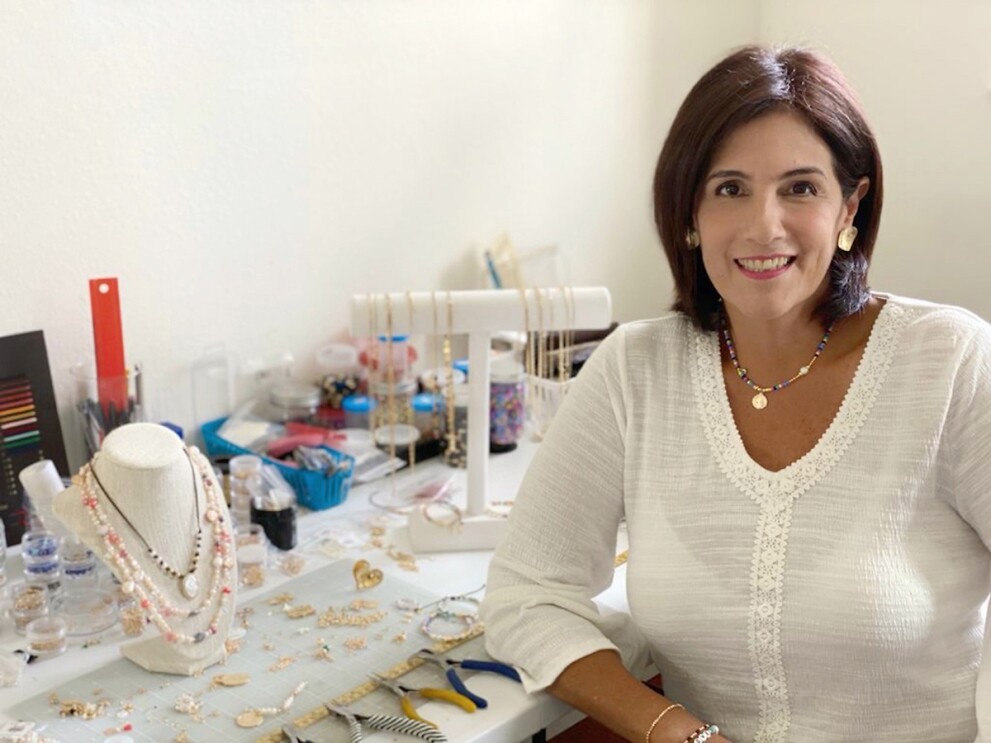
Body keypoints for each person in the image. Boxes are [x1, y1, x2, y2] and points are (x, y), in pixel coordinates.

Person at [480, 44, 991, 743]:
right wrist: (674, 731)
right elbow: (525, 594)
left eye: (799, 188)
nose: (762, 226)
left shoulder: (951, 361)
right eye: (729, 188)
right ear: (689, 212)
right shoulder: (634, 369)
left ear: (851, 205)